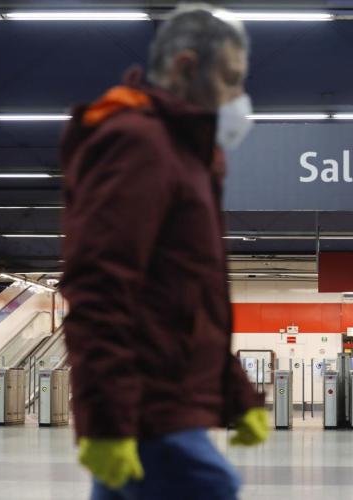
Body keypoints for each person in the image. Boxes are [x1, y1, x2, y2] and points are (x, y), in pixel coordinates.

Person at [59, 5, 268, 499]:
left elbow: (187, 300)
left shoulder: (187, 157)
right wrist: (106, 418)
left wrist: (235, 391)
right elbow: (99, 285)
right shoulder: (138, 143)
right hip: (148, 407)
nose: (237, 97)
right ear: (185, 67)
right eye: (229, 79)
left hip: (161, 406)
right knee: (211, 486)